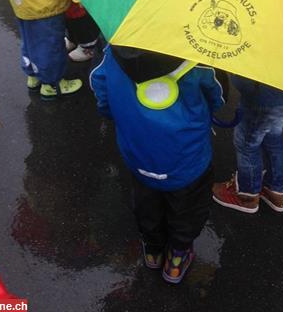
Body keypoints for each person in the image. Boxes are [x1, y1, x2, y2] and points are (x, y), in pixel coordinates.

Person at [90, 45, 225, 284]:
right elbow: (217, 97)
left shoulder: (112, 53)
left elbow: (102, 95)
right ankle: (176, 259)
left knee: (146, 202)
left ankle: (153, 251)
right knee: (187, 208)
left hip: (139, 154)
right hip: (187, 158)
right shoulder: (199, 58)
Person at [212, 75, 283, 214]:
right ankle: (277, 188)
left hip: (261, 94)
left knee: (247, 144)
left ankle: (247, 195)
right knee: (273, 137)